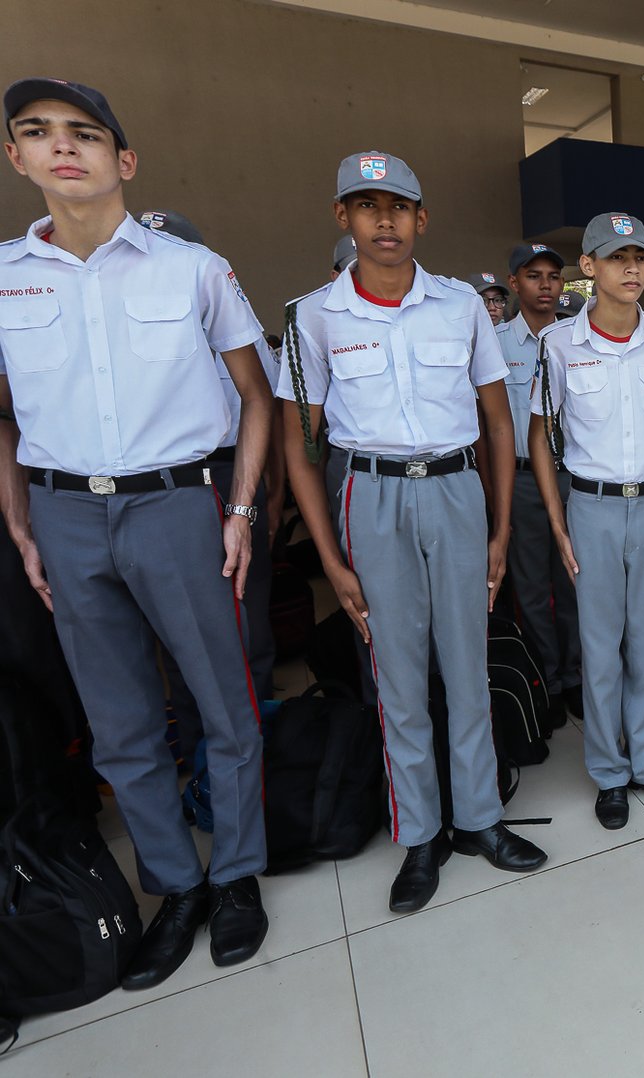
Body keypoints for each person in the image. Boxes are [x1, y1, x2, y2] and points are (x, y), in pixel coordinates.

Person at [0, 78, 272, 986]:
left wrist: (237, 508)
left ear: (125, 159)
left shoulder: (190, 267)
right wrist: (22, 521)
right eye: (38, 134)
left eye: (84, 133)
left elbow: (255, 395)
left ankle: (235, 877)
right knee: (120, 724)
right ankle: (174, 886)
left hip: (173, 505)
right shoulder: (4, 277)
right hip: (66, 514)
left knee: (223, 704)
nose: (62, 147)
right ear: (17, 156)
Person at [279, 151, 546, 914]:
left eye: (398, 205)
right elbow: (304, 446)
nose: (384, 219)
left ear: (421, 218)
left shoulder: (462, 305)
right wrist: (330, 556)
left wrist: (498, 528)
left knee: (467, 666)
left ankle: (481, 822)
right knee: (398, 678)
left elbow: (498, 422)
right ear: (344, 218)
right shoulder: (312, 317)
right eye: (367, 205)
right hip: (372, 497)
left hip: (458, 491)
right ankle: (420, 836)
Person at [529, 211, 644, 831]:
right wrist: (558, 517)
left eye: (641, 258)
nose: (632, 268)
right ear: (590, 267)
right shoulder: (560, 344)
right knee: (600, 645)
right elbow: (541, 435)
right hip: (591, 506)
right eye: (617, 257)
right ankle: (608, 770)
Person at [137, 209, 283, 729]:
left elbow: (268, 410)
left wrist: (272, 494)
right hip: (161, 484)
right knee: (176, 626)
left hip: (229, 476)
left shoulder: (232, 321)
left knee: (247, 617)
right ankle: (201, 739)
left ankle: (261, 733)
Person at [497, 242, 583, 719]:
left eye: (554, 276)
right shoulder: (494, 343)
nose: (547, 284)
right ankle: (544, 681)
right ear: (515, 283)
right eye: (534, 276)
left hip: (573, 476)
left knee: (573, 581)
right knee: (530, 589)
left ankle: (574, 675)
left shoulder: (576, 340)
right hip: (524, 480)